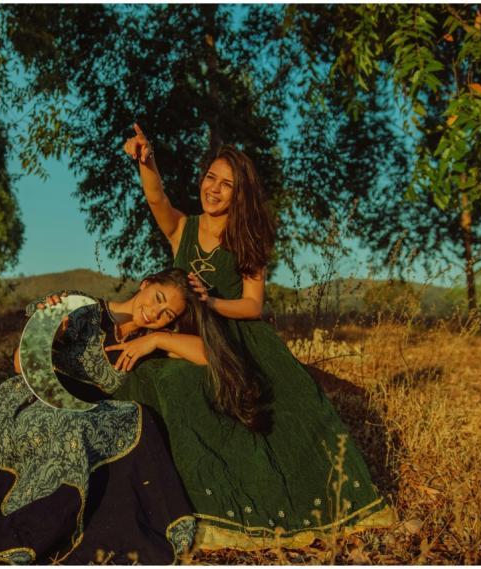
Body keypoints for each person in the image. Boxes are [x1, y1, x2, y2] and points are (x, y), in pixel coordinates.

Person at [115, 125, 393, 551]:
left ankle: (310, 505)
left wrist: (210, 304)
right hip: (189, 338)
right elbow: (156, 199)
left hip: (238, 336)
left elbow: (252, 305)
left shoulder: (248, 238)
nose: (215, 189)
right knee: (163, 387)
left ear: (238, 194)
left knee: (290, 413)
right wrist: (146, 161)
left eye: (227, 185)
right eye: (211, 178)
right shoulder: (182, 229)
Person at [0, 268, 240, 564]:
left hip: (85, 413)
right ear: (147, 283)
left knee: (129, 420)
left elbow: (209, 354)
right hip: (36, 398)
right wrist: (51, 330)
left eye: (168, 315)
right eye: (158, 299)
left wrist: (156, 341)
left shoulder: (147, 341)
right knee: (72, 428)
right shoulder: (79, 307)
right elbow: (22, 364)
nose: (156, 313)